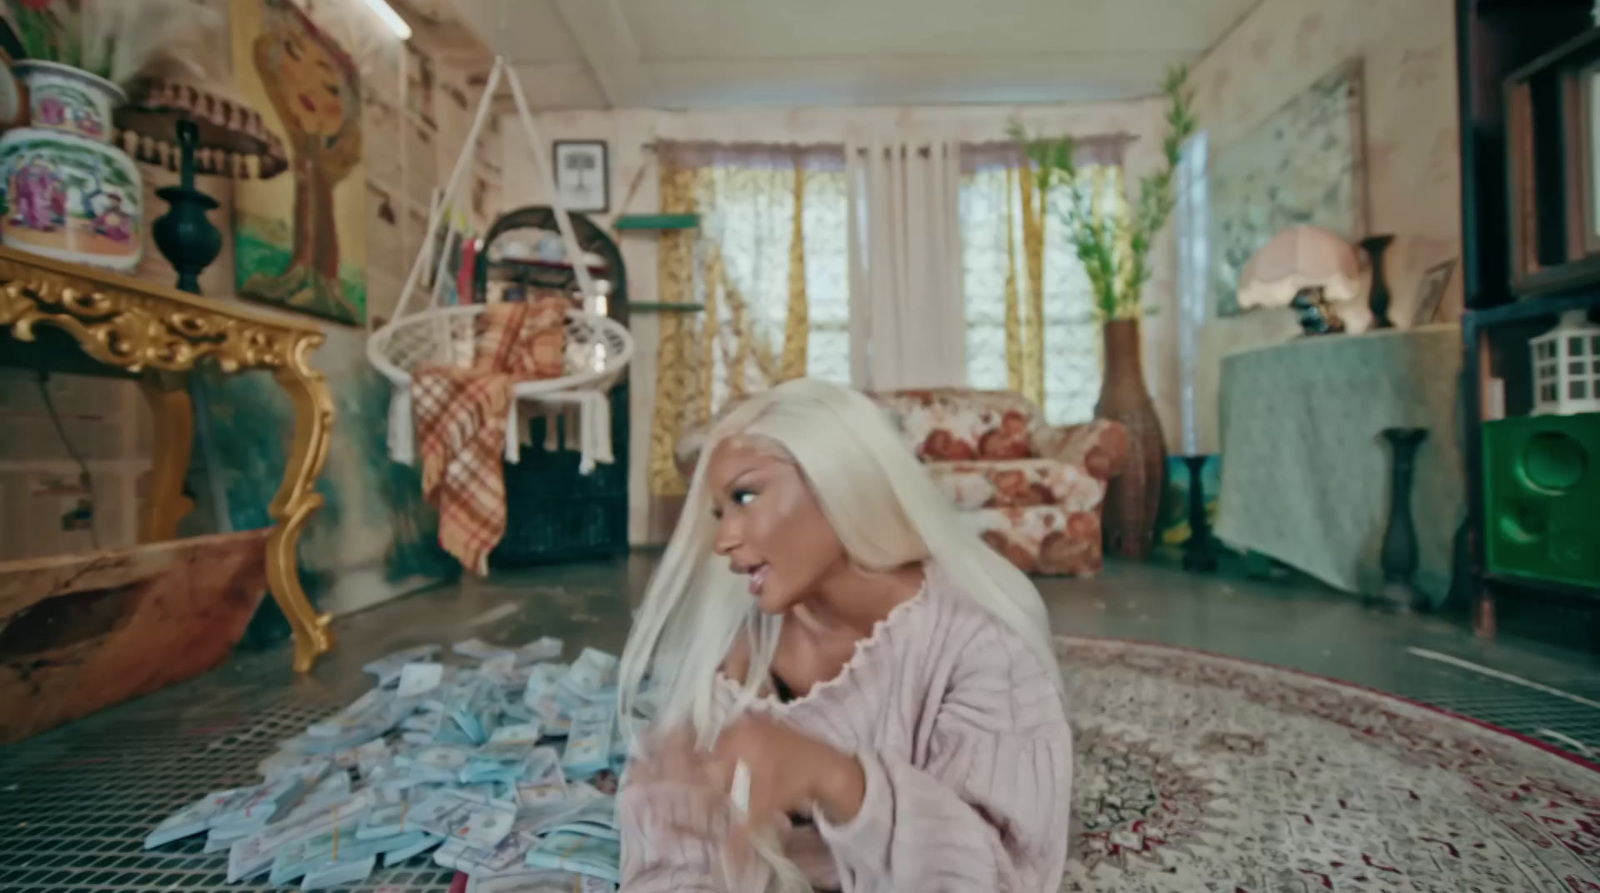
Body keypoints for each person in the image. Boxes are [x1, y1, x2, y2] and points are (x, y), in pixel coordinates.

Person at [616, 379, 1073, 893]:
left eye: (747, 495)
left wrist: (834, 779)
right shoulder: (734, 657)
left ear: (836, 482)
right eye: (721, 511)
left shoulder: (982, 646)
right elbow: (669, 862)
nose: (724, 539)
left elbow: (1000, 878)